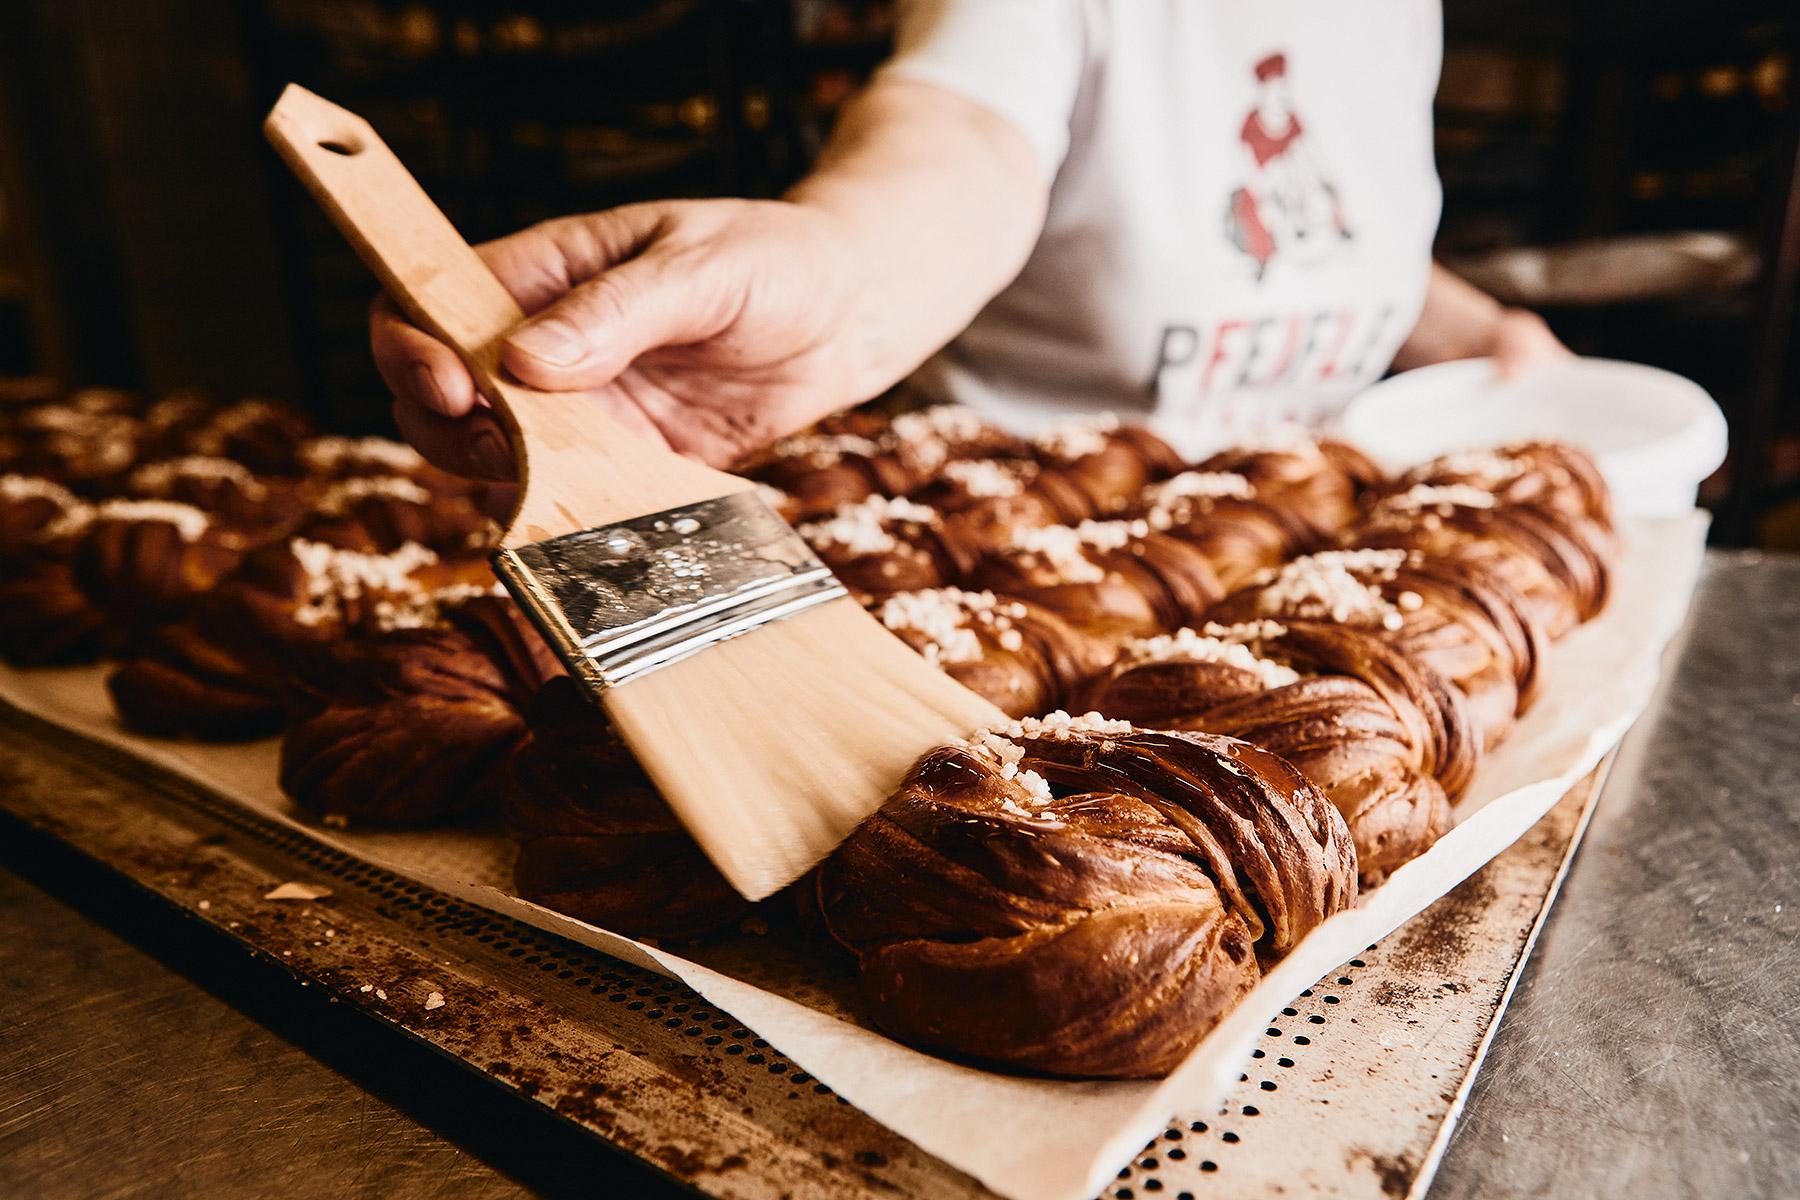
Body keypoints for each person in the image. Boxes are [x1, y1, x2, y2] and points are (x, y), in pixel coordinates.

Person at [370, 0, 1567, 483]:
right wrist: (841, 266)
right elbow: (963, 141)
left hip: (1324, 522)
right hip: (1029, 543)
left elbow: (1333, 242)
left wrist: (1488, 333)